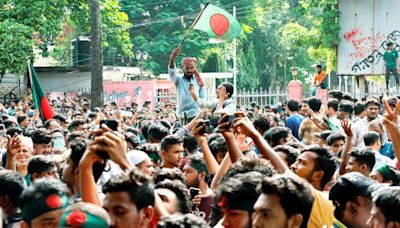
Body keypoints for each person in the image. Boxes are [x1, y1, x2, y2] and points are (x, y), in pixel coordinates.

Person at [169, 48, 205, 126]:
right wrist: (172, 57)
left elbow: (203, 98)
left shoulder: (199, 80)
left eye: (191, 68)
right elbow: (172, 71)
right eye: (187, 68)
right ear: (183, 67)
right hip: (182, 116)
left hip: (196, 115)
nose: (189, 70)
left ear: (195, 67)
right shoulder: (178, 79)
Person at [183, 154, 215, 222]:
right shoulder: (183, 197)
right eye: (184, 171)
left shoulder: (214, 200)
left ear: (202, 175)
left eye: (188, 172)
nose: (183, 175)